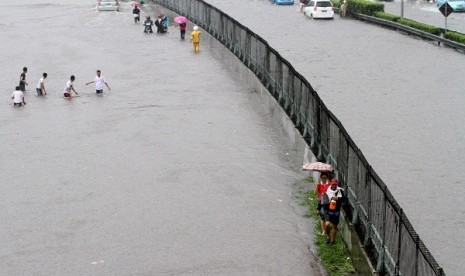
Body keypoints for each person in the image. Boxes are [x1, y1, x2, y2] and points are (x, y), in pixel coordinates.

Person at [322, 179, 345, 245]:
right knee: (327, 224)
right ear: (331, 184)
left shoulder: (340, 191)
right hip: (328, 211)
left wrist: (338, 199)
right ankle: (328, 236)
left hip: (336, 212)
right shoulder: (327, 190)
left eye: (335, 184)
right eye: (333, 184)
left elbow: (344, 200)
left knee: (335, 226)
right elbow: (323, 200)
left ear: (337, 184)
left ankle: (332, 241)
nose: (334, 185)